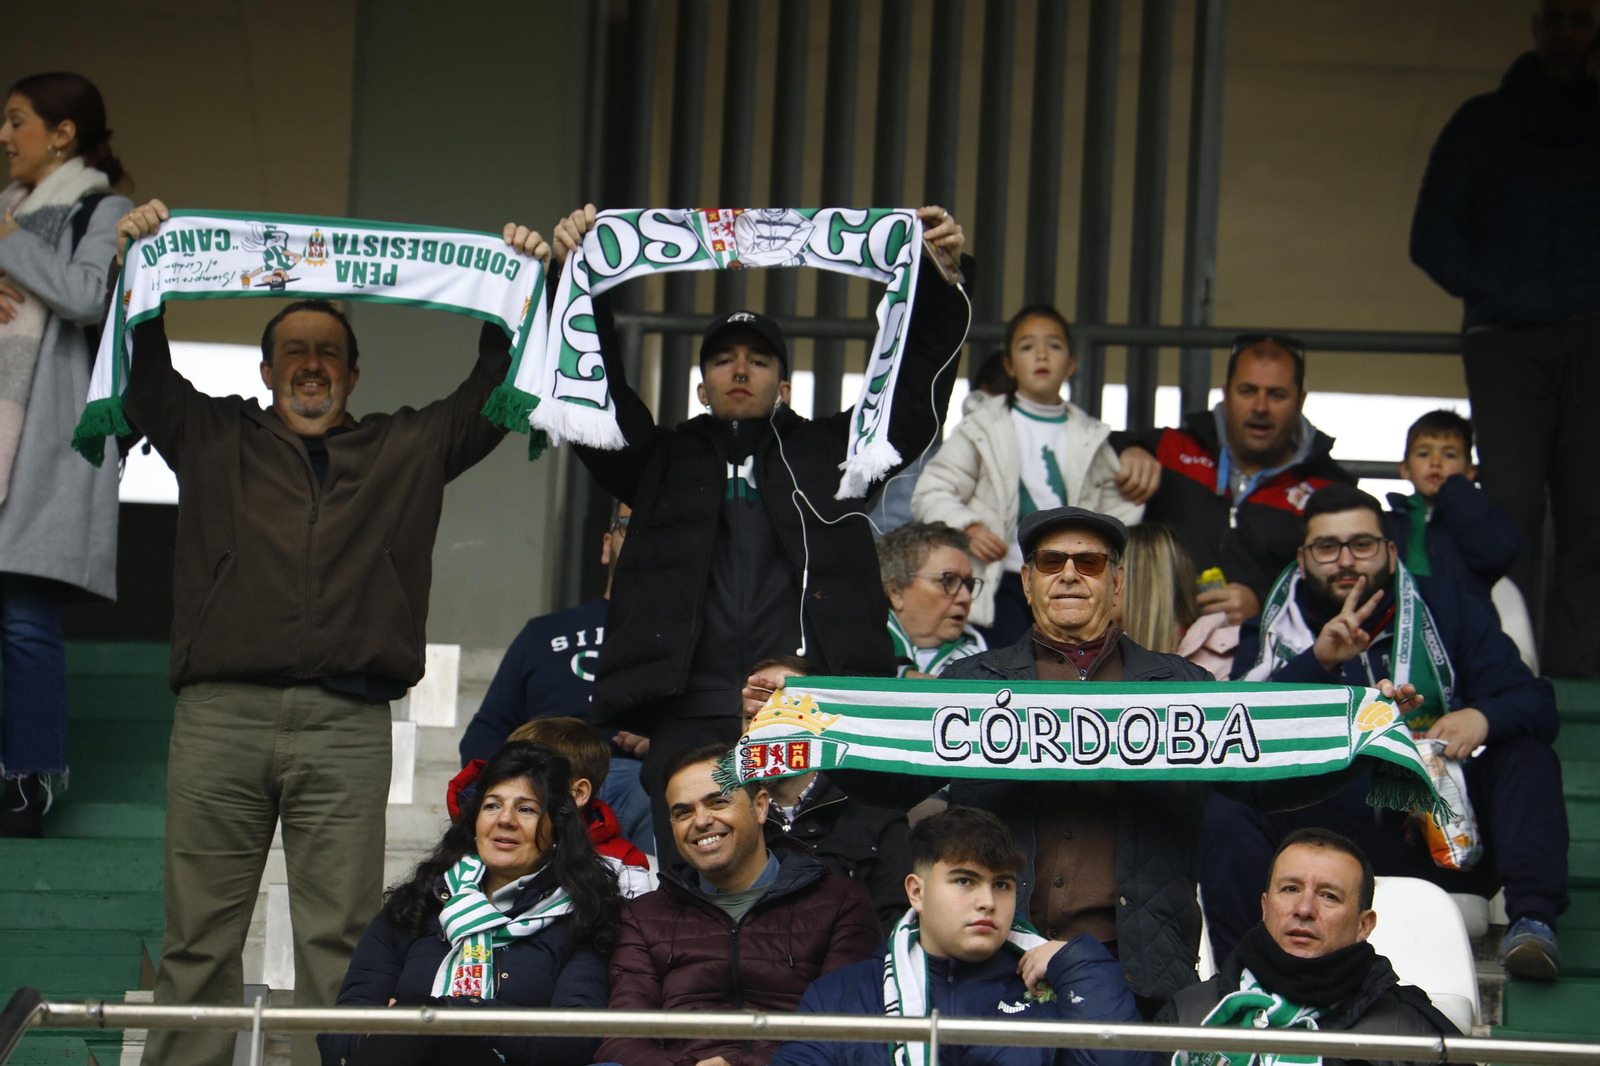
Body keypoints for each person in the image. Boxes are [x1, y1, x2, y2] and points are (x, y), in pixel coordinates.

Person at [114, 199, 544, 1066]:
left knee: (338, 943)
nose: (312, 365)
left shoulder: (407, 446)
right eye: (295, 351)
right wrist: (141, 270)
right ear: (266, 368)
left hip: (346, 724)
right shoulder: (210, 434)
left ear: (354, 370)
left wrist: (516, 289)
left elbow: (495, 403)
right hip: (219, 718)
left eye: (329, 352)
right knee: (197, 940)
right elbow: (144, 380)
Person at [822, 506, 1414, 1013]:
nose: (1071, 575)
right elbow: (896, 783)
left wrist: (1360, 741)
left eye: (1092, 563)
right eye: (1052, 563)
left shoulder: (1184, 689)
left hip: (1139, 975)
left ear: (1119, 583)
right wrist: (816, 732)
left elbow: (1265, 783)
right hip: (992, 958)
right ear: (1027, 582)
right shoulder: (968, 684)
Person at [549, 203, 971, 854]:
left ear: (784, 386)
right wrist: (573, 278)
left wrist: (940, 283)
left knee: (809, 889)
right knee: (693, 895)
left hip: (809, 709)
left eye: (757, 360)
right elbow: (592, 394)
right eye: (722, 360)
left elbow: (911, 397)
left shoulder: (834, 453)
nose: (740, 370)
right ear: (700, 386)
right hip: (689, 713)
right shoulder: (656, 461)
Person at [1203, 484, 1567, 981]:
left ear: (1391, 553)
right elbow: (1240, 734)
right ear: (1303, 560)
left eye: (1363, 545)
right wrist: (1319, 662)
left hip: (1440, 828)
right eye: (1327, 548)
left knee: (1526, 752)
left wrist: (1481, 718)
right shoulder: (1271, 627)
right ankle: (1242, 975)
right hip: (1322, 832)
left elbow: (1537, 702)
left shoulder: (1448, 606)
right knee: (1229, 800)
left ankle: (1534, 922)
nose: (1346, 561)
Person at [1409, 0, 1600, 678]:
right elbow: (1428, 236)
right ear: (1535, 26)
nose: (1566, 33)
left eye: (1579, 20)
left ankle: (1580, 683)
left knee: (1589, 513)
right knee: (1507, 508)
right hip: (1506, 343)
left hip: (1592, 345)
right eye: (1555, 19)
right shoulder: (1481, 123)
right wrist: (1500, 291)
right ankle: (1506, 668)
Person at [0, 73, 130, 836]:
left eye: (16, 121)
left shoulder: (102, 208)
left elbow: (85, 297)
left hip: (44, 443)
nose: (4, 136)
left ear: (63, 133)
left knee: (22, 615)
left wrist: (12, 247)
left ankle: (28, 781)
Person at [769, 807, 1147, 1066]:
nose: (987, 902)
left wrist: (1080, 965)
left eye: (1002, 884)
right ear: (916, 892)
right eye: (965, 881)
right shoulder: (841, 995)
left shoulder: (1056, 985)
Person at [319, 742, 621, 1066]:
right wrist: (381, 1034)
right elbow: (339, 1031)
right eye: (492, 805)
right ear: (475, 821)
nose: (505, 819)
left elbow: (574, 1041)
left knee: (422, 1022)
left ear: (556, 828)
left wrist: (451, 1013)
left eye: (527, 809)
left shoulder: (584, 916)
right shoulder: (418, 901)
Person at [598, 742, 881, 1066]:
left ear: (760, 807)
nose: (701, 821)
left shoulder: (839, 901)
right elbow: (621, 1038)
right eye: (683, 812)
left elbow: (843, 1027)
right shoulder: (644, 916)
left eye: (717, 802)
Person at [911, 305, 1145, 646]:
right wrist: (969, 527)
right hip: (1000, 577)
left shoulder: (1089, 435)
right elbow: (930, 493)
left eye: (1053, 345)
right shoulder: (982, 427)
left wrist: (1098, 555)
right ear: (1008, 365)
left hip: (1068, 580)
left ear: (1071, 364)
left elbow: (1119, 509)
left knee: (1066, 665)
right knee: (1010, 666)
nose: (1040, 355)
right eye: (1026, 346)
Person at [1113, 333, 1355, 625]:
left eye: (1277, 394)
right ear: (1226, 394)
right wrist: (1128, 450)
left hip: (1265, 661)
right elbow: (1086, 453)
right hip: (1157, 650)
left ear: (1300, 400)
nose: (1260, 407)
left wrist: (1266, 605)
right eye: (1247, 391)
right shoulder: (1169, 449)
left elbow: (1349, 586)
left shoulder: (1329, 490)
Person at [1161, 828, 1458, 1059]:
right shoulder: (1188, 1015)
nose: (1304, 909)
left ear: (1363, 925)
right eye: (1290, 889)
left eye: (1329, 895)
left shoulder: (1411, 1031)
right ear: (1265, 908)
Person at [461, 500, 653, 853]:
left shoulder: (684, 639)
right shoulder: (543, 632)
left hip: (638, 776)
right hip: (542, 771)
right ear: (606, 545)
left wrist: (664, 741)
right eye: (629, 524)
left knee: (658, 794)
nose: (642, 536)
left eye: (655, 528)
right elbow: (487, 729)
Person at [741, 655, 913, 935]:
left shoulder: (877, 812)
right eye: (752, 717)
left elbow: (896, 926)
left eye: (781, 713)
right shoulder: (721, 814)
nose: (764, 730)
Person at [1383, 410, 1521, 613]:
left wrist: (1457, 490)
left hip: (1465, 635)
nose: (1436, 462)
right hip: (1402, 632)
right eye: (1423, 454)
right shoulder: (1388, 522)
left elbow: (1498, 554)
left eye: (1449, 455)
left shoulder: (1479, 515)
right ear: (1404, 469)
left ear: (1469, 472)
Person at [867, 348, 1015, 536]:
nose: (989, 425)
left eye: (1002, 414)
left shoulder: (1061, 449)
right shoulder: (922, 468)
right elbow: (884, 540)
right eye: (982, 409)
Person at [504, 716, 652, 895]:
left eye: (535, 777)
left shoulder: (622, 866)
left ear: (578, 793)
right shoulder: (490, 837)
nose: (513, 787)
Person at [877, 521, 987, 677]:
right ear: (896, 591)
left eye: (968, 584)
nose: (966, 597)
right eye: (948, 580)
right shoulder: (853, 650)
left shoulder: (983, 668)